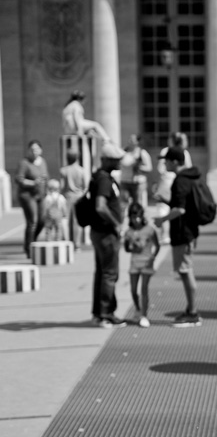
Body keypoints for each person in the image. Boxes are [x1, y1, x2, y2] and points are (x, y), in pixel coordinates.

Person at [156, 145, 202, 328]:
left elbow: (180, 209)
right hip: (188, 230)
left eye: (166, 160)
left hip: (183, 232)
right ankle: (191, 310)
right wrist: (164, 200)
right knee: (185, 271)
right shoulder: (189, 177)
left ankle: (193, 313)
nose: (164, 164)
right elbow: (182, 204)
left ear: (174, 161)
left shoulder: (181, 180)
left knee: (185, 271)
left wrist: (162, 219)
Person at [89, 141, 127, 328]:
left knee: (102, 273)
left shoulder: (100, 176)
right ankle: (106, 313)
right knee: (110, 274)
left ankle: (99, 312)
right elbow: (100, 206)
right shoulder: (104, 179)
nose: (120, 162)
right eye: (116, 159)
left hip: (99, 232)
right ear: (107, 160)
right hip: (105, 232)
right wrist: (116, 223)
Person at [123, 202, 160, 328]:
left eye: (138, 217)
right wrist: (131, 243)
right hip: (134, 262)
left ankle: (144, 315)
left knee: (144, 289)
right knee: (133, 290)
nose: (136, 220)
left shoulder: (149, 230)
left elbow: (157, 245)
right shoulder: (129, 232)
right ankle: (138, 309)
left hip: (146, 262)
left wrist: (153, 258)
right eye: (133, 217)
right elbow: (127, 249)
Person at [154, 132, 192, 242]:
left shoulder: (167, 151)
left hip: (167, 180)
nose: (165, 163)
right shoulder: (184, 152)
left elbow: (160, 169)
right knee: (170, 207)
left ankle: (166, 234)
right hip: (171, 180)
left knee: (165, 208)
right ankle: (167, 233)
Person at [15, 140, 49, 256]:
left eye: (37, 149)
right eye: (32, 150)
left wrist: (48, 190)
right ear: (29, 151)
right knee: (33, 221)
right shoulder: (24, 163)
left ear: (41, 150)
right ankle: (29, 248)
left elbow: (46, 178)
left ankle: (32, 240)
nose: (35, 152)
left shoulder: (42, 162)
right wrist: (33, 183)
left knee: (42, 220)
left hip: (41, 195)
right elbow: (19, 179)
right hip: (28, 195)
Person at [60, 152, 87, 250]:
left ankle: (66, 241)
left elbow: (62, 186)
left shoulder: (64, 170)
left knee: (65, 219)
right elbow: (85, 186)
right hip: (79, 196)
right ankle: (77, 244)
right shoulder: (81, 170)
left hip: (67, 196)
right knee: (77, 221)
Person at [119, 134, 153, 207]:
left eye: (132, 140)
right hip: (125, 180)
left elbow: (149, 168)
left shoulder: (142, 153)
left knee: (138, 203)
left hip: (138, 182)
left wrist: (139, 167)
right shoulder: (123, 151)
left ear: (137, 142)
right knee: (124, 202)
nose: (129, 141)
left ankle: (137, 216)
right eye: (129, 139)